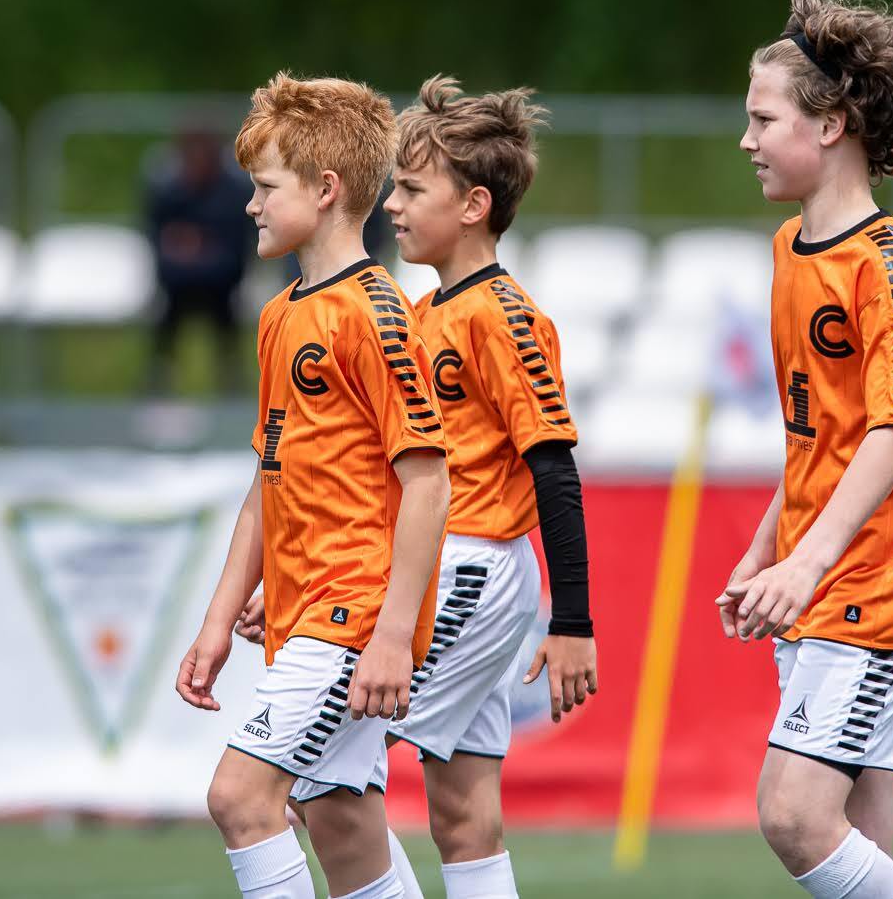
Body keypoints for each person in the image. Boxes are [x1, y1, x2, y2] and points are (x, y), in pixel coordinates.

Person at [240, 75, 599, 899]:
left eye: (411, 188)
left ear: (473, 206)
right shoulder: (424, 309)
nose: (393, 206)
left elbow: (554, 467)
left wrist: (574, 621)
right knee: (463, 813)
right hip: (441, 563)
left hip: (467, 566)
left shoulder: (503, 315)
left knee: (315, 781)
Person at [174, 73, 451, 899]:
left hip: (354, 616)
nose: (251, 204)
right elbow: (268, 480)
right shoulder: (280, 315)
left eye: (266, 187)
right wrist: (218, 620)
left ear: (326, 189)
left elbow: (429, 483)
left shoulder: (377, 313)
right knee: (341, 822)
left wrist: (392, 634)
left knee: (240, 797)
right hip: (304, 615)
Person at [723, 0, 893, 899]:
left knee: (793, 814)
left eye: (763, 118)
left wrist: (807, 562)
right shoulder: (789, 248)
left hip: (883, 586)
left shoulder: (891, 265)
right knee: (858, 826)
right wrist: (767, 548)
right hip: (829, 578)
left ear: (830, 125)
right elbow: (818, 433)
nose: (745, 139)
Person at [146, 126, 256, 393]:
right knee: (171, 310)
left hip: (222, 286)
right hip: (177, 285)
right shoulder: (168, 191)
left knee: (223, 310)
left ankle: (230, 381)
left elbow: (236, 254)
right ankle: (160, 377)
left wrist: (194, 249)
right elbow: (160, 248)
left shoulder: (233, 193)